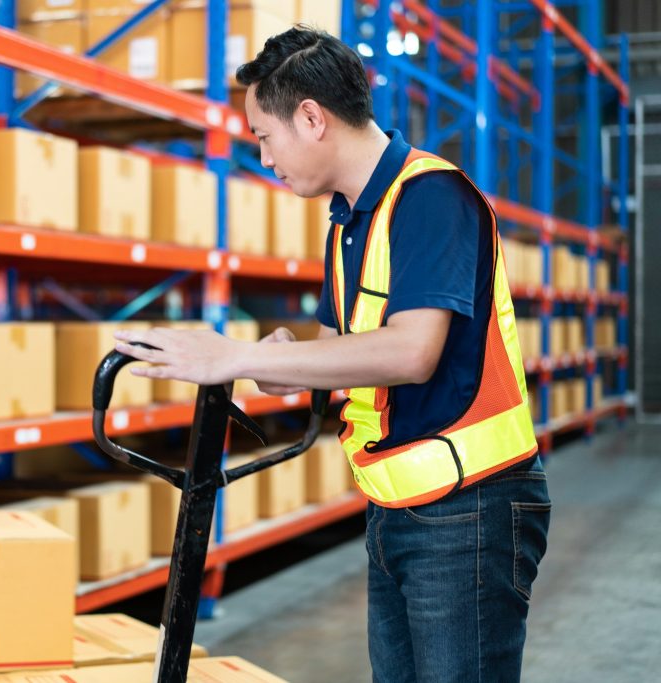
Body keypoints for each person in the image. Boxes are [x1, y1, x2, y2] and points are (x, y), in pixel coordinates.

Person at [113, 26, 551, 683]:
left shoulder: (431, 197)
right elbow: (334, 354)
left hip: (470, 509)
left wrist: (230, 357)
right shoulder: (350, 220)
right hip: (395, 504)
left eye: (263, 135)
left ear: (312, 118)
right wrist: (266, 362)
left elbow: (411, 352)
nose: (262, 157)